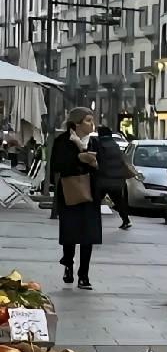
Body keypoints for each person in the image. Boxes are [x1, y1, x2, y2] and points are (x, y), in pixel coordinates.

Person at [52, 107, 101, 290]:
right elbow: (56, 166)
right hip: (69, 191)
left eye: (91, 120)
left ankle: (84, 275)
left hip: (90, 192)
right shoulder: (62, 141)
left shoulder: (94, 143)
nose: (91, 123)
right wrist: (78, 158)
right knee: (70, 232)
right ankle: (68, 265)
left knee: (89, 234)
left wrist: (94, 162)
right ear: (76, 123)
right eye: (88, 120)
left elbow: (101, 167)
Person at [93, 125, 134, 230]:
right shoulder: (114, 144)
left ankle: (92, 223)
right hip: (117, 179)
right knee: (118, 200)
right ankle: (126, 220)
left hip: (103, 179)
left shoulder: (98, 144)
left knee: (95, 202)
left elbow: (98, 161)